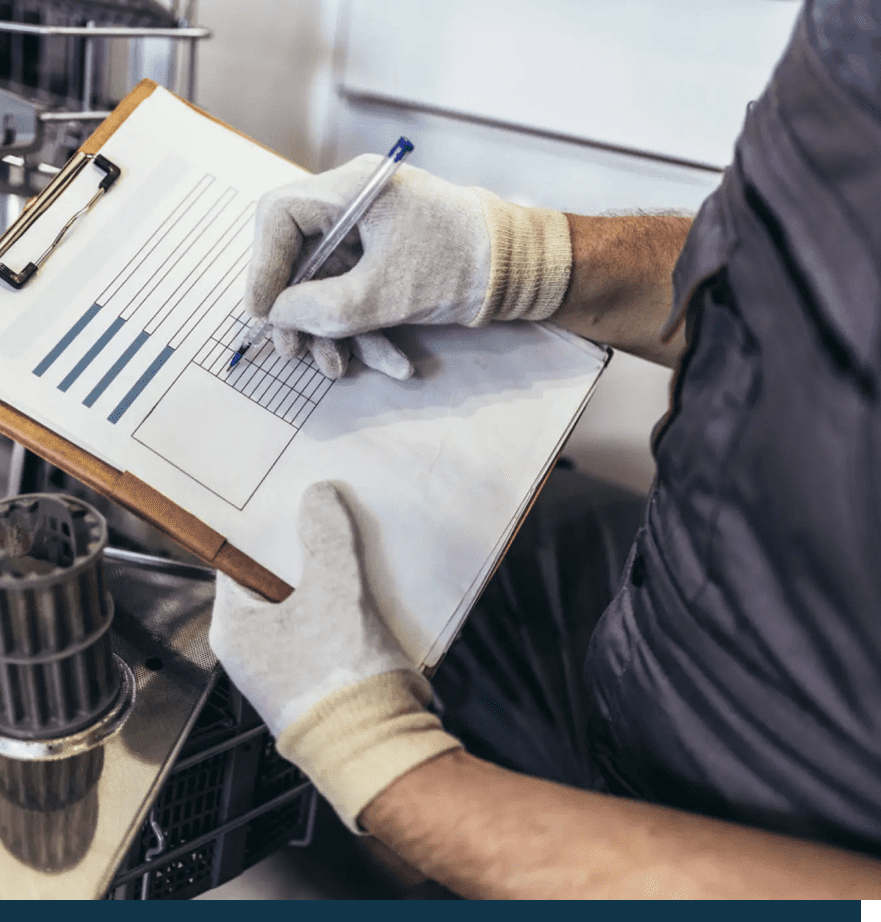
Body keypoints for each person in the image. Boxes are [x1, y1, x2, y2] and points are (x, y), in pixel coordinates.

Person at [208, 0, 881, 899]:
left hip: (737, 834)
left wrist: (382, 764)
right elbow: (785, 275)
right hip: (658, 608)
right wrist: (521, 257)